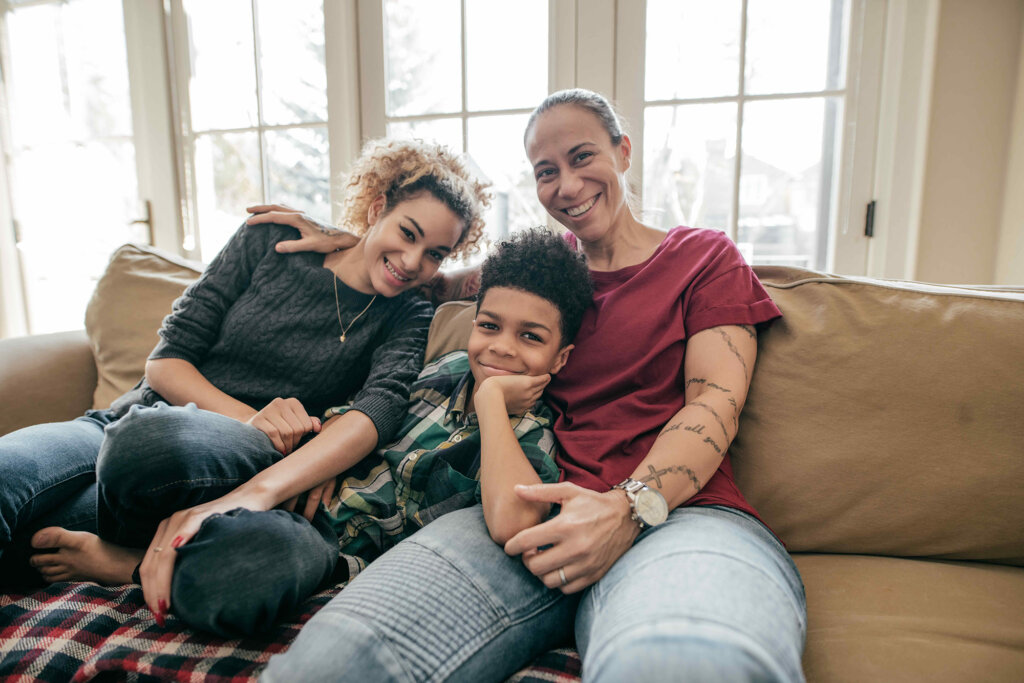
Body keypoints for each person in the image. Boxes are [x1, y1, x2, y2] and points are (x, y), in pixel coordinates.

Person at [254, 88, 807, 682]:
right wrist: (342, 237)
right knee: (334, 662)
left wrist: (625, 510)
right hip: (519, 508)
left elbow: (714, 403)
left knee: (686, 664)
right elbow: (422, 274)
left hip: (678, 514)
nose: (567, 186)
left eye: (583, 157)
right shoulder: (538, 271)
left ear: (623, 153)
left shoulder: (702, 257)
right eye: (547, 172)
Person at [0, 139, 490, 637]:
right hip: (132, 421)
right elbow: (166, 362)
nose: (411, 261)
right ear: (378, 206)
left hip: (235, 462)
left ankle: (126, 558)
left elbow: (379, 408)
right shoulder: (270, 240)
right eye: (407, 233)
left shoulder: (409, 314)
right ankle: (133, 547)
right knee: (12, 479)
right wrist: (252, 420)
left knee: (81, 509)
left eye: (434, 254)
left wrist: (266, 442)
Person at [322, 228, 592, 579]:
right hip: (316, 513)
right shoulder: (443, 370)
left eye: (530, 336)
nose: (502, 347)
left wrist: (491, 400)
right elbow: (360, 411)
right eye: (490, 326)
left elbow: (515, 523)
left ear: (560, 359)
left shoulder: (533, 434)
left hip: (346, 561)